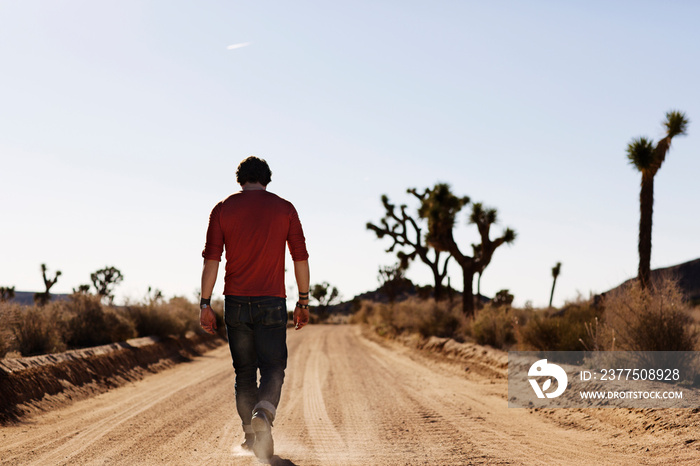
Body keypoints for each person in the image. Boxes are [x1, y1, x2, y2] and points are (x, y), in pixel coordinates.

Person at [199, 156, 310, 462]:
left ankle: (252, 434)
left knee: (244, 373)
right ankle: (264, 412)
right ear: (267, 179)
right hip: (272, 302)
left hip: (235, 303)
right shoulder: (285, 208)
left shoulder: (222, 209)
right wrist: (303, 301)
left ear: (240, 179)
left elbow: (212, 261)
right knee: (274, 367)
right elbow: (300, 257)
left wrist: (205, 304)